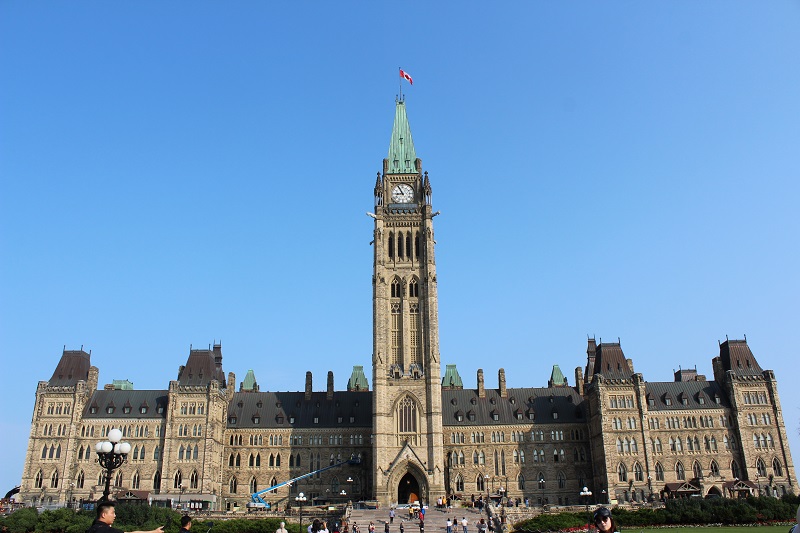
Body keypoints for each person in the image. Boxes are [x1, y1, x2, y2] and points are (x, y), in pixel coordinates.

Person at [86, 501, 164, 533]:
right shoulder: (105, 530)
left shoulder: (91, 529)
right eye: (112, 513)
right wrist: (154, 532)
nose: (115, 516)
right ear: (103, 515)